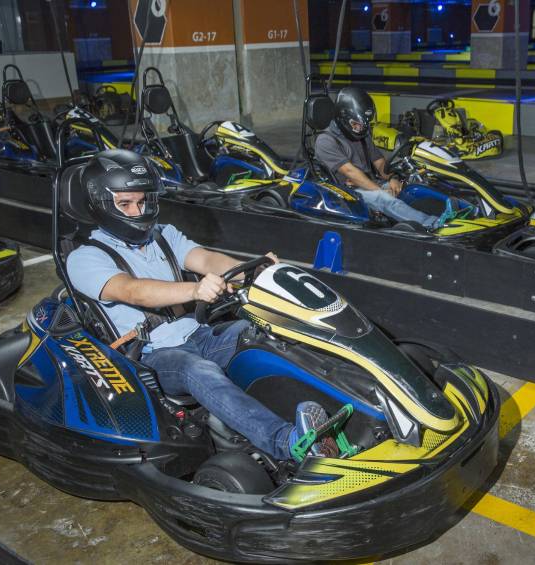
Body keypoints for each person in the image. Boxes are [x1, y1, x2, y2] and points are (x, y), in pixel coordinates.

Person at [66, 149, 337, 460]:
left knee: (260, 330)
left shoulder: (162, 235)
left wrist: (253, 270)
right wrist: (195, 289)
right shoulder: (85, 257)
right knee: (198, 370)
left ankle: (340, 401)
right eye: (125, 204)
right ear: (101, 206)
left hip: (200, 335)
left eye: (143, 201)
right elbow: (133, 291)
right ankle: (289, 443)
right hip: (152, 357)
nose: (137, 211)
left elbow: (206, 259)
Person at [315, 86, 458, 230]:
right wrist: (380, 190)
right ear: (343, 118)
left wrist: (392, 179)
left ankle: (459, 208)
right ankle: (435, 225)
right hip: (347, 193)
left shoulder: (361, 135)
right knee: (384, 199)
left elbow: (379, 162)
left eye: (364, 124)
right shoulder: (326, 141)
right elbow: (350, 172)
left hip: (370, 183)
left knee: (412, 186)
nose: (362, 128)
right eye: (357, 125)